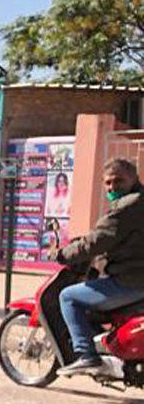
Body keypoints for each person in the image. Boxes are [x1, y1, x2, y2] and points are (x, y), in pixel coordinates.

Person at [54, 158, 144, 376]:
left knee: (68, 297)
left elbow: (97, 242)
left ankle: (87, 356)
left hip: (131, 281)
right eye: (108, 183)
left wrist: (62, 254)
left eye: (118, 181)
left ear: (134, 179)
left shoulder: (127, 206)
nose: (112, 187)